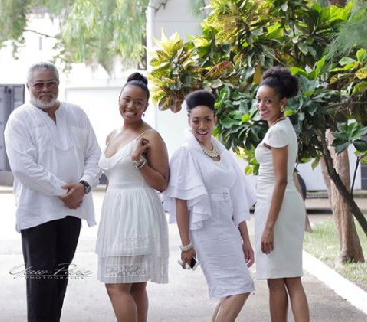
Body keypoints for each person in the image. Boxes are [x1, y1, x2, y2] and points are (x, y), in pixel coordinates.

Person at [4, 62, 101, 322]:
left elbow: (94, 153)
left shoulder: (77, 113)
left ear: (58, 84)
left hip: (73, 211)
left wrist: (84, 186)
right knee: (40, 282)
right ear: (28, 87)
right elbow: (22, 167)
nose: (45, 89)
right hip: (38, 213)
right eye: (39, 84)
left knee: (60, 277)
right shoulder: (20, 118)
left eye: (50, 83)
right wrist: (64, 191)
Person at [164, 90, 256, 321]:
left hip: (227, 227)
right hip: (206, 229)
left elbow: (237, 198)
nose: (201, 126)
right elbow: (181, 203)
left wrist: (245, 239)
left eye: (207, 119)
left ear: (215, 119)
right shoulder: (186, 154)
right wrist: (186, 245)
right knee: (241, 286)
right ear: (188, 121)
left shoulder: (222, 151)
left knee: (230, 290)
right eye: (196, 120)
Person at [96, 73, 170, 322]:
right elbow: (112, 178)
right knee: (135, 286)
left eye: (139, 102)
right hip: (115, 214)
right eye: (127, 99)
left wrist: (139, 162)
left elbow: (162, 183)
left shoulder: (151, 137)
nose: (131, 106)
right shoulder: (111, 136)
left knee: (115, 286)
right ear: (118, 99)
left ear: (146, 106)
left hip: (137, 213)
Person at [255, 68, 310, 322]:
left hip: (277, 208)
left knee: (281, 279)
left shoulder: (277, 132)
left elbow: (280, 180)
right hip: (281, 205)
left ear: (282, 102)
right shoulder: (282, 127)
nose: (262, 105)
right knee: (285, 278)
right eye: (259, 99)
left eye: (268, 100)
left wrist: (268, 227)